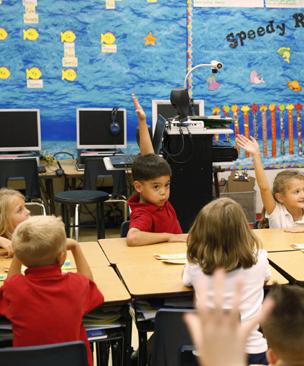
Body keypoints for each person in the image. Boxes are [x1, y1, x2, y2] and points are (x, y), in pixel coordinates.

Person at [0, 216, 104, 366]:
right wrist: (75, 246)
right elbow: (90, 283)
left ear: (21, 258)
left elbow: (9, 283)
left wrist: (19, 254)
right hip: (74, 362)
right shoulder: (77, 284)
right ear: (60, 257)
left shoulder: (14, 287)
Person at [182, 197, 271, 365]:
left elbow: (186, 281)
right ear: (244, 229)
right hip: (252, 353)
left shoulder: (195, 262)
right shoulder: (259, 258)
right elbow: (267, 277)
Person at [236, 134, 304, 231]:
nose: (303, 195)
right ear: (280, 197)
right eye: (296, 192)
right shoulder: (276, 213)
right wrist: (256, 155)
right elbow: (264, 188)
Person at [126, 94, 187, 246]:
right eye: (156, 186)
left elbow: (148, 155)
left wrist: (142, 120)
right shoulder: (144, 212)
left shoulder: (156, 200)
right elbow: (132, 238)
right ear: (138, 187)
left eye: (166, 185)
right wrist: (168, 236)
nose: (163, 192)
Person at [0, 188, 31, 257]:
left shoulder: (31, 232)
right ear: (4, 221)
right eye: (19, 210)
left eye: (25, 207)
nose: (28, 211)